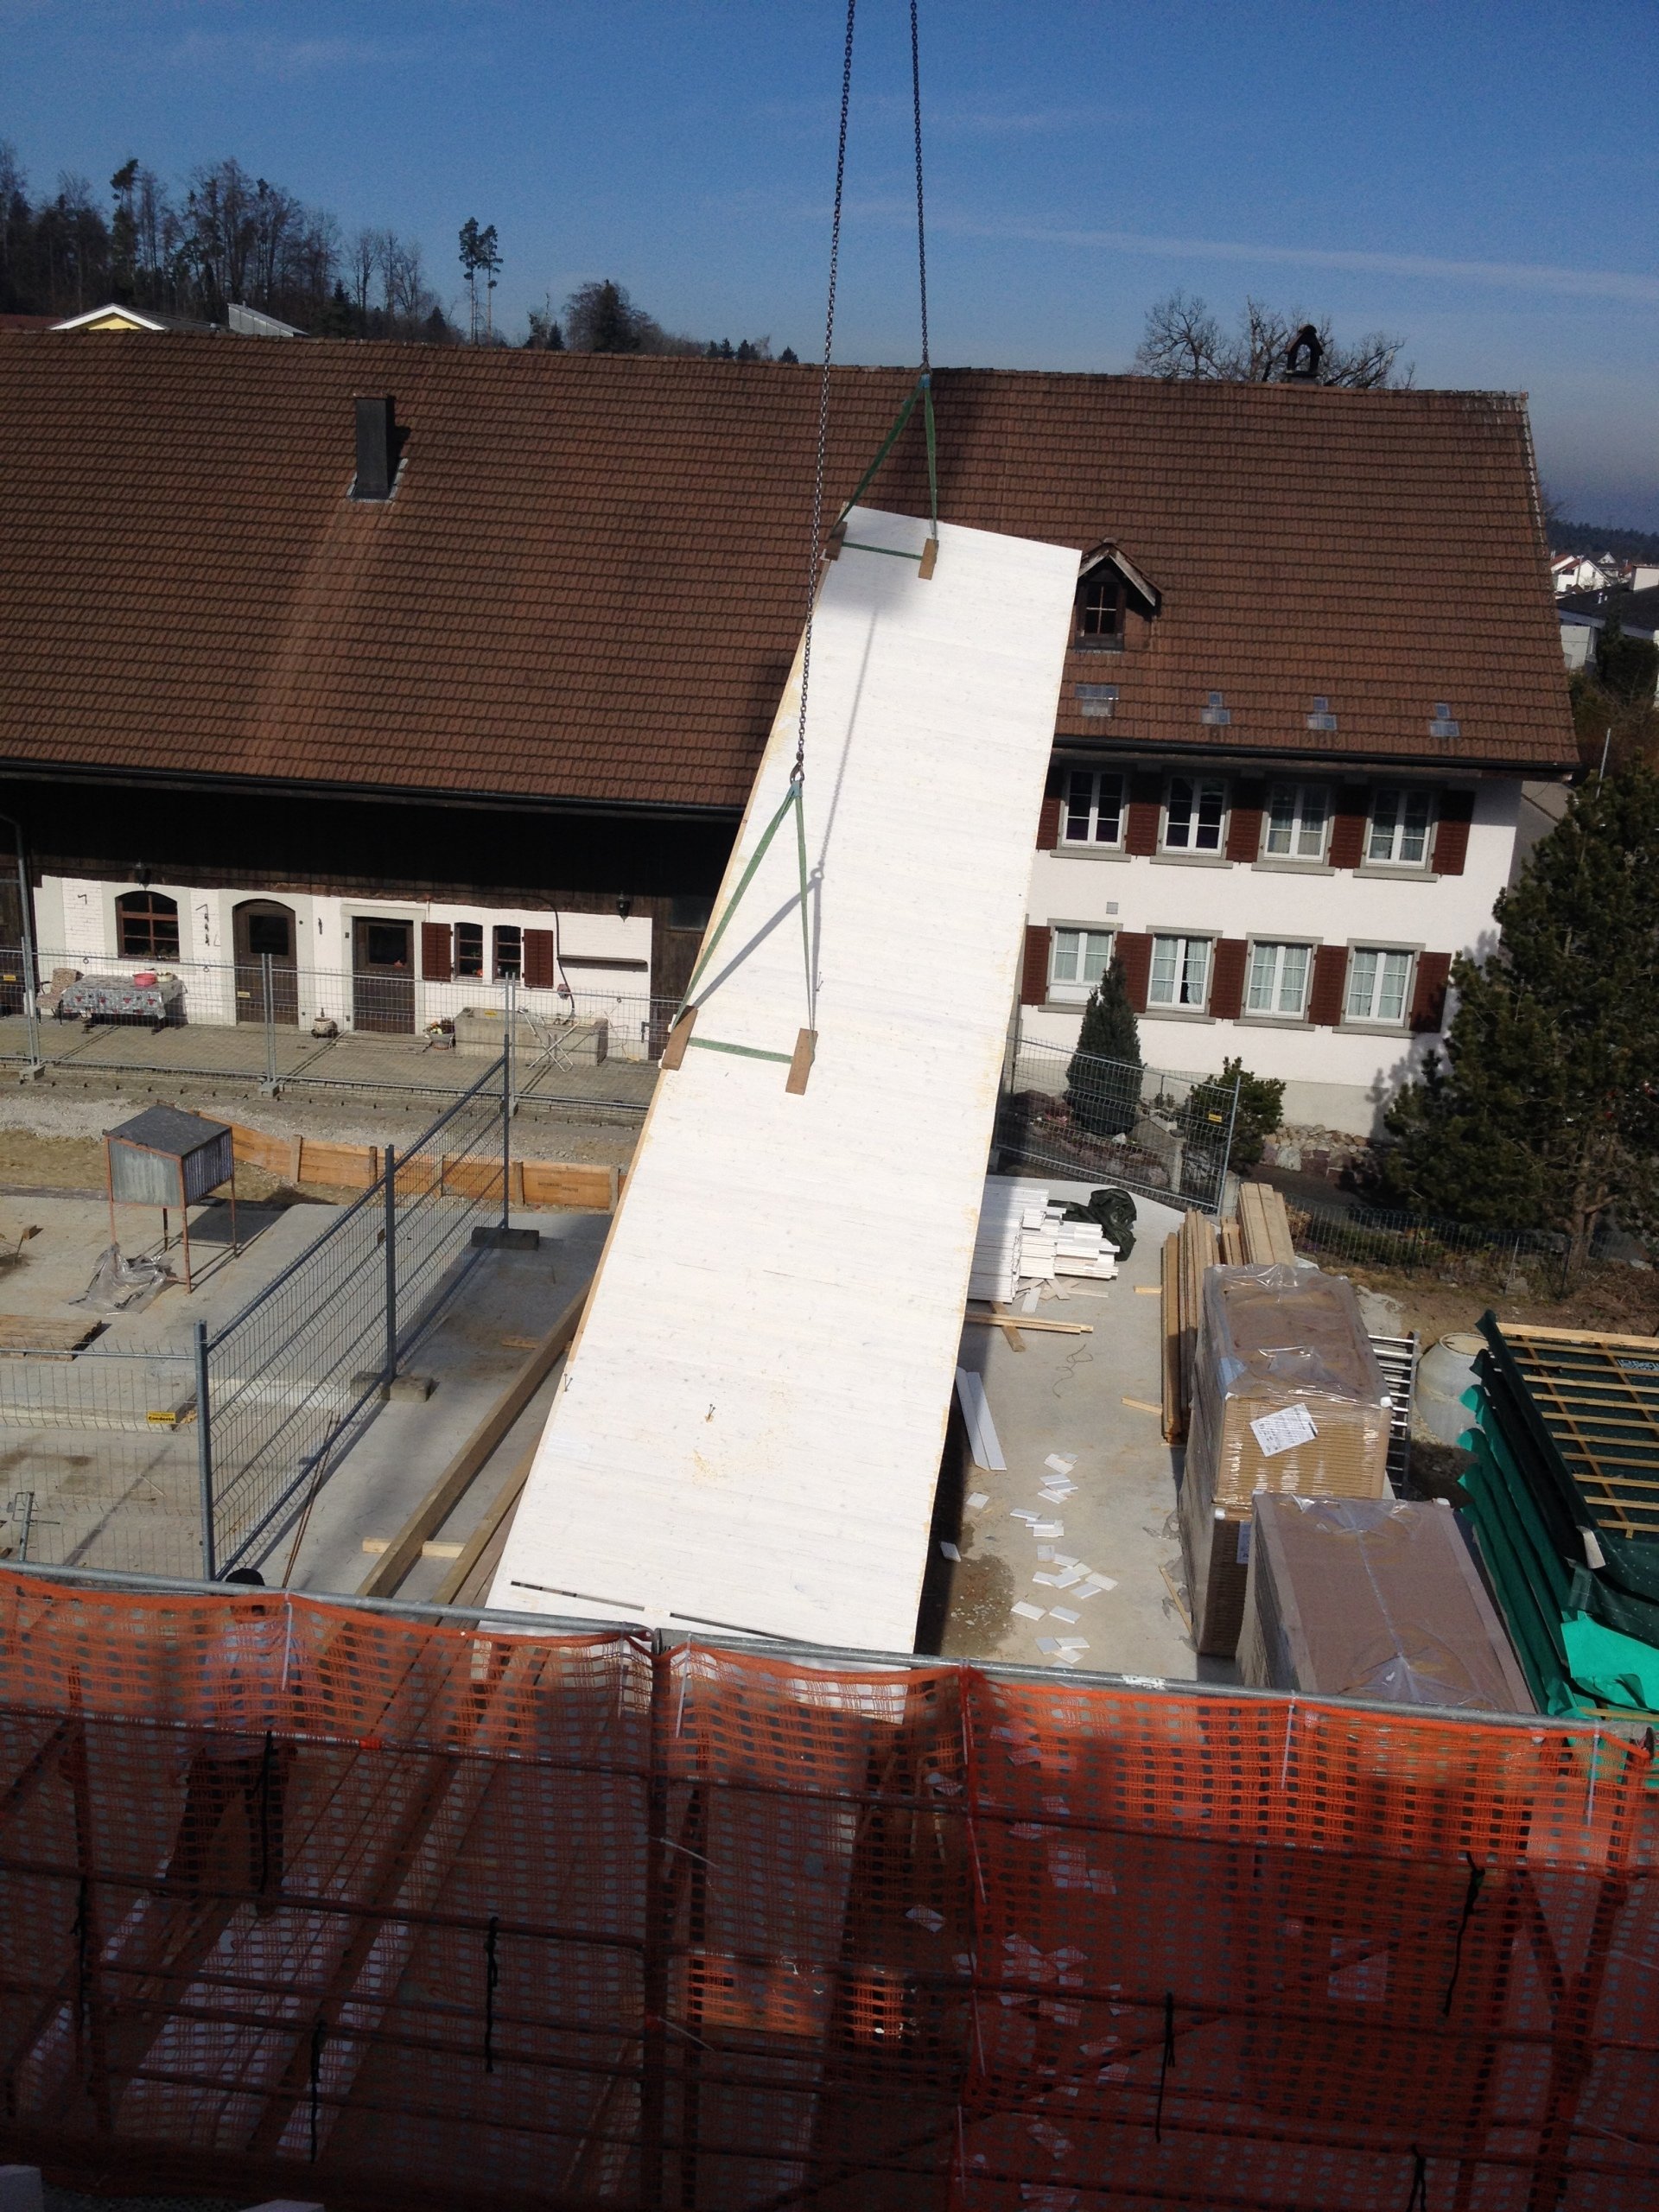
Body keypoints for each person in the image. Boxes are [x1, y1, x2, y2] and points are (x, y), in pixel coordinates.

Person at [162, 1568, 296, 1909]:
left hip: (225, 1755)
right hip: (272, 1751)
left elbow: (203, 1712)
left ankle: (180, 1886)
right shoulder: (292, 1642)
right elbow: (306, 1695)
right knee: (267, 1830)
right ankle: (267, 1898)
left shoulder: (226, 1648)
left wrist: (178, 1759)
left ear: (238, 1606)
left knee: (198, 1823)